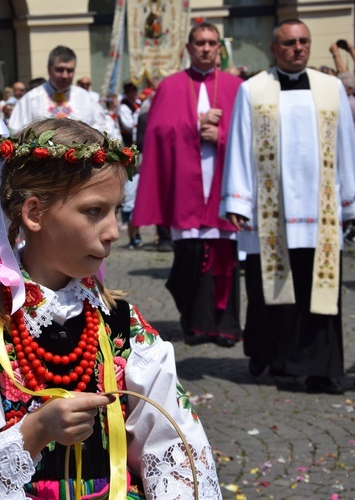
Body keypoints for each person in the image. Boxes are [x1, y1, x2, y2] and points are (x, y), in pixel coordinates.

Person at [0, 117, 221, 499]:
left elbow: (171, 441)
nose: (114, 230)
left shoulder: (120, 323)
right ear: (34, 214)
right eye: (94, 211)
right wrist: (34, 432)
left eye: (116, 210)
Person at [221, 19, 355, 394]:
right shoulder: (253, 90)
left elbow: (347, 146)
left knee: (320, 293)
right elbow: (239, 144)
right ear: (274, 48)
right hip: (271, 214)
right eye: (289, 42)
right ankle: (276, 359)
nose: (297, 48)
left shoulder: (331, 88)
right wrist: (238, 199)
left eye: (303, 42)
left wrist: (351, 200)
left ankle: (322, 368)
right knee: (273, 289)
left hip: (323, 214)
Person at [133, 22, 243, 347]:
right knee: (188, 260)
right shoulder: (170, 86)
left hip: (223, 184)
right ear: (189, 48)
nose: (206, 48)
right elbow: (157, 134)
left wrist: (219, 136)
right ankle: (193, 324)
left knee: (226, 258)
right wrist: (196, 126)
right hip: (186, 188)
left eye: (212, 43)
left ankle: (225, 326)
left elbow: (248, 137)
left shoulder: (237, 87)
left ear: (219, 47)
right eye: (200, 43)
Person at [10, 46, 118, 137]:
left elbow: (105, 129)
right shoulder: (31, 99)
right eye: (59, 70)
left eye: (70, 70)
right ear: (49, 69)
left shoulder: (85, 98)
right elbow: (15, 132)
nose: (65, 75)